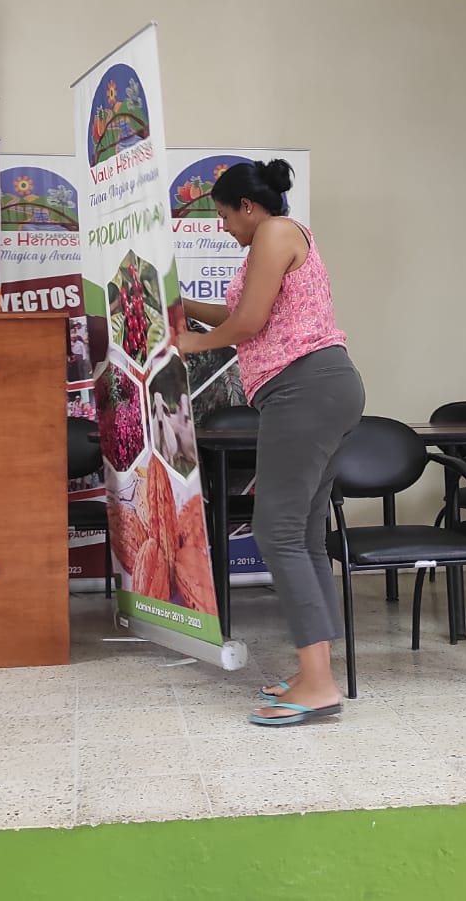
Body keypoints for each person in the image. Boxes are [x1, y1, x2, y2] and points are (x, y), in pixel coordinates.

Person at [173, 159, 364, 727]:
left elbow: (249, 323)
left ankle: (319, 684)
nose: (222, 226)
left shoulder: (276, 232)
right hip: (322, 388)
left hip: (304, 389)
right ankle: (315, 673)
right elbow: (240, 313)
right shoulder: (280, 238)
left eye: (224, 215)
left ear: (248, 207)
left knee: (276, 531)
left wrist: (188, 344)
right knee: (302, 534)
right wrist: (181, 308)